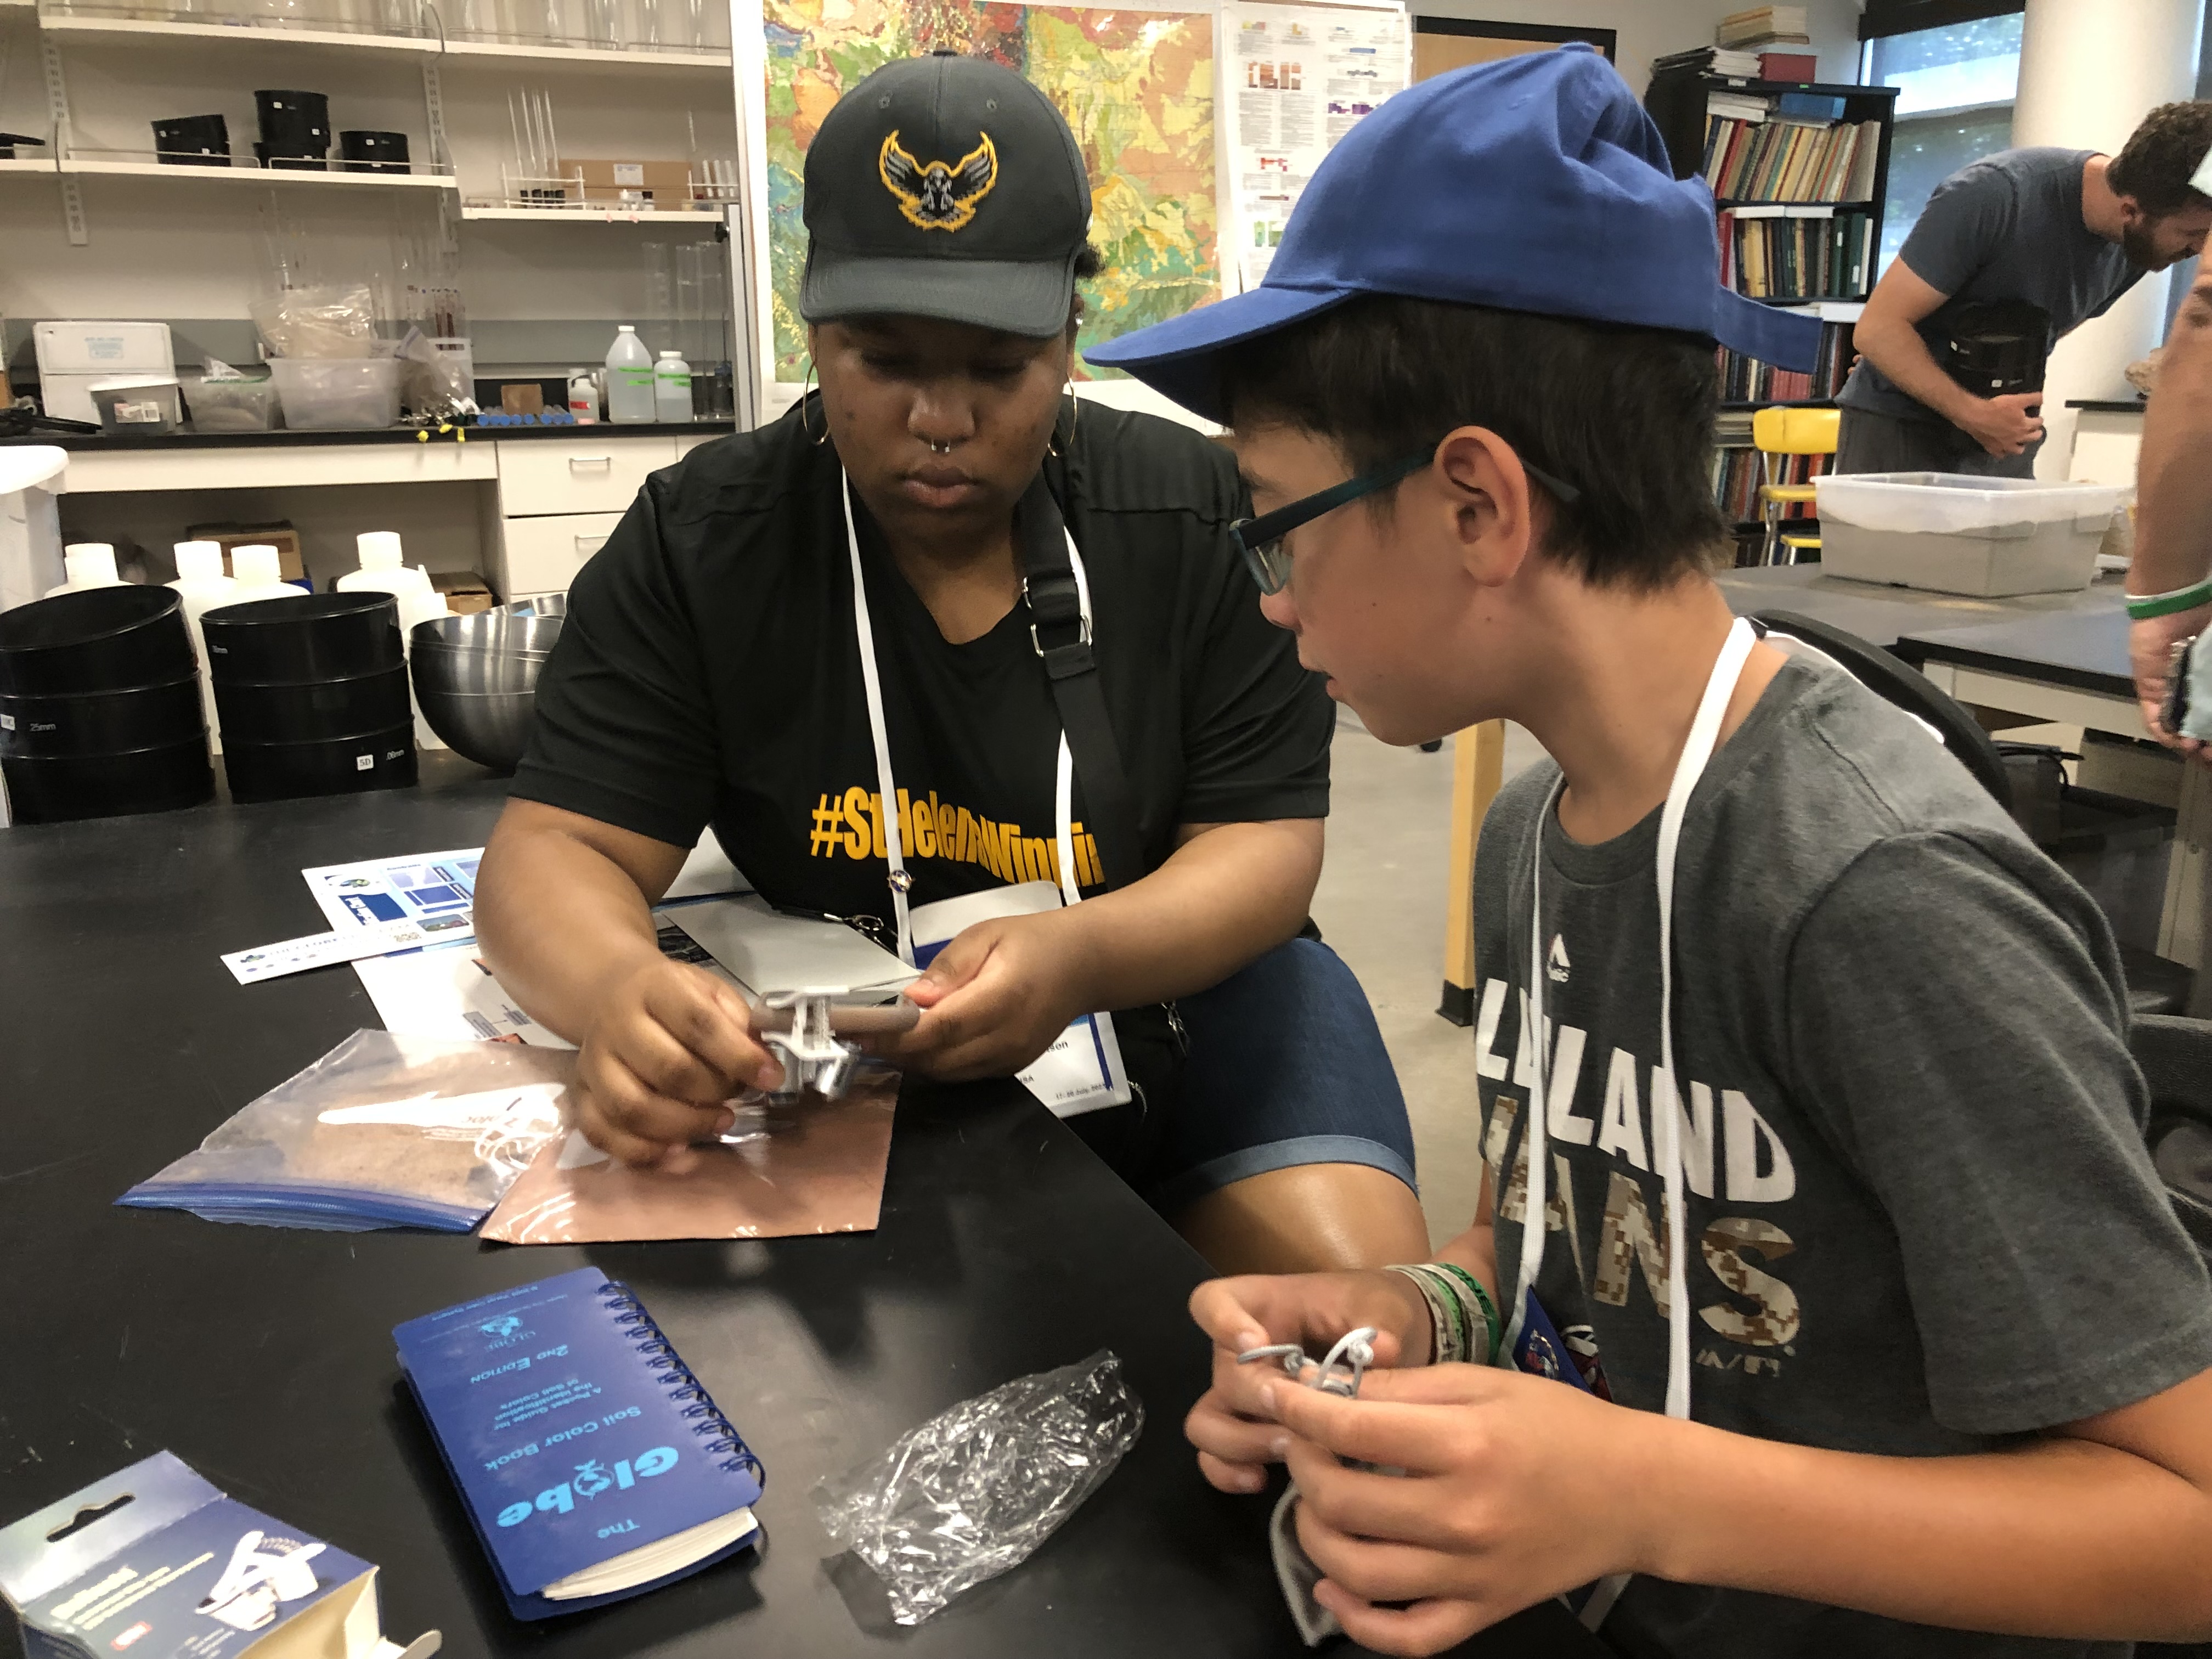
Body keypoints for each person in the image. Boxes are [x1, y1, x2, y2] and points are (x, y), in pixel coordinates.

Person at [1089, 45, 2212, 1659]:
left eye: (1277, 523)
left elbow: (2184, 1524)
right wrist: (1425, 1308)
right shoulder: (1532, 837)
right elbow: (1576, 1245)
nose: (1268, 597)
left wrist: (1639, 1496)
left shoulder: (1872, 896)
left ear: (1478, 505)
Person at [472, 51, 1429, 1277]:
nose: (939, 417)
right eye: (885, 360)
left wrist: (1079, 958)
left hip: (1180, 991)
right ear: (815, 334)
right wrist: (615, 993)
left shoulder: (1191, 517)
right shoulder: (705, 540)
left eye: (994, 368)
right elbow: (559, 848)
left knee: (1359, 1340)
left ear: (1070, 343)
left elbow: (1267, 848)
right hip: (843, 1041)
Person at [1836, 101, 2212, 477]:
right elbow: (1878, 329)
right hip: (1899, 426)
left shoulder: (2139, 246)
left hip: (2003, 433)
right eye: (2192, 235)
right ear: (2131, 211)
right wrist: (1971, 412)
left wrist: (1995, 411)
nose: (2198, 250)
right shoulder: (1994, 195)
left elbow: (2053, 327)